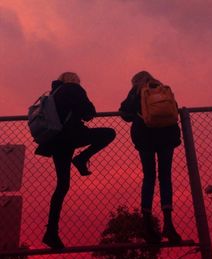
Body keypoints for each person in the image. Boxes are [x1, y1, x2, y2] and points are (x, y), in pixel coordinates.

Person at [35, 72, 116, 249]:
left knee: (62, 185)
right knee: (109, 133)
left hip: (56, 141)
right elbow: (89, 113)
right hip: (72, 136)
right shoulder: (74, 89)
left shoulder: (52, 94)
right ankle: (82, 158)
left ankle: (51, 232)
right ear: (75, 80)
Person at [119, 71, 182, 244]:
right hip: (167, 136)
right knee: (165, 178)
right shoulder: (162, 88)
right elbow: (174, 109)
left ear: (136, 81)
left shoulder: (137, 91)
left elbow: (124, 113)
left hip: (145, 137)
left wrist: (137, 116)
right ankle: (168, 225)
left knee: (149, 177)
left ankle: (147, 225)